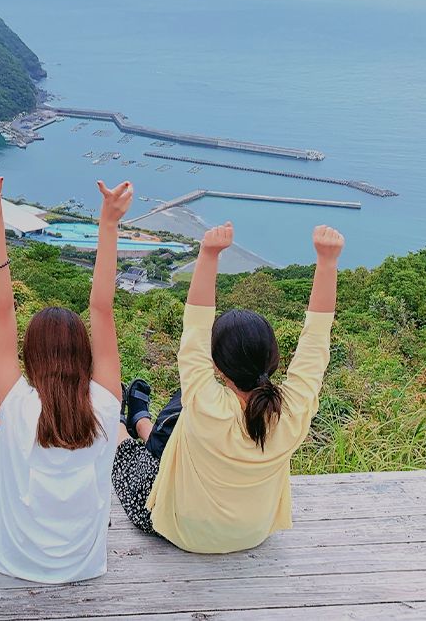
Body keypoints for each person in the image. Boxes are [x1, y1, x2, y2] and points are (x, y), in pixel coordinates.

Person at [111, 221, 344, 553]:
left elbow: (195, 327)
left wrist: (208, 254)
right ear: (274, 360)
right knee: (178, 426)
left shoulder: (206, 404)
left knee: (132, 464)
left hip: (184, 532)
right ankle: (141, 421)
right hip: (253, 533)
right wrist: (328, 262)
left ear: (215, 366)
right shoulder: (293, 410)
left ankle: (120, 423)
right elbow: (316, 339)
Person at [0, 177, 132, 583]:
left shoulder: (17, 401)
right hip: (81, 564)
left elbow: (2, 309)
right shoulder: (106, 404)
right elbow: (102, 308)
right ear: (84, 354)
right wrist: (109, 224)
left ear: (31, 355)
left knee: (3, 433)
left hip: (8, 557)